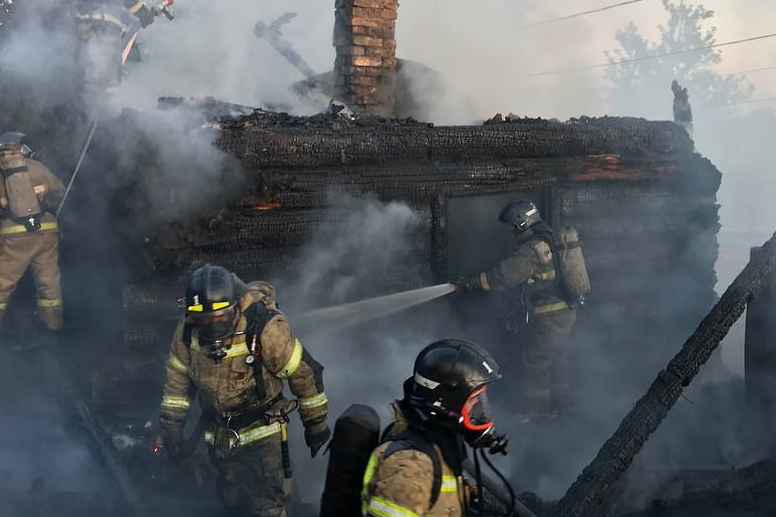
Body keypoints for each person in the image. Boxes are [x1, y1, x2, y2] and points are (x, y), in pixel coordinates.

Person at [159, 266, 329, 517]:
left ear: (235, 305)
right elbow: (177, 382)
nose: (210, 326)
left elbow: (304, 374)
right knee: (231, 501)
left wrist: (316, 426)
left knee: (269, 505)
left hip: (264, 433)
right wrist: (172, 429)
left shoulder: (264, 328)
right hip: (219, 435)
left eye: (218, 318)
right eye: (203, 319)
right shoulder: (187, 332)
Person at [455, 200, 581, 418]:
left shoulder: (531, 250)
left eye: (512, 225)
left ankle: (538, 410)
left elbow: (501, 277)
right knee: (557, 356)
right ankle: (562, 405)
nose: (509, 229)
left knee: (536, 359)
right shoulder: (548, 240)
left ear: (523, 222)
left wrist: (470, 282)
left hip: (550, 314)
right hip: (564, 312)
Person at [361, 339, 508, 517]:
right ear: (446, 403)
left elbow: (439, 497)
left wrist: (469, 495)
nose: (479, 409)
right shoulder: (410, 465)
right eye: (473, 401)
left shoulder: (437, 444)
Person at [0, 133, 65, 334]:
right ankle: (54, 328)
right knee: (49, 284)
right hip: (47, 232)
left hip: (15, 236)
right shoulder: (38, 167)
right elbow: (59, 193)